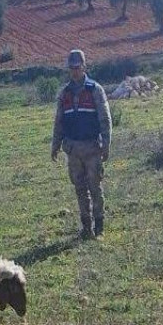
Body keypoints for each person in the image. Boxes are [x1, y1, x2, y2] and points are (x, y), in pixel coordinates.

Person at [50, 49, 113, 239]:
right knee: (80, 189)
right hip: (73, 149)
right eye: (71, 68)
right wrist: (55, 145)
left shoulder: (95, 90)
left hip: (92, 148)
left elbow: (105, 119)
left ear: (84, 66)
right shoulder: (65, 93)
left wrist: (106, 144)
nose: (74, 71)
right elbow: (59, 121)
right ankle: (86, 227)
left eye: (77, 67)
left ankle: (99, 227)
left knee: (95, 188)